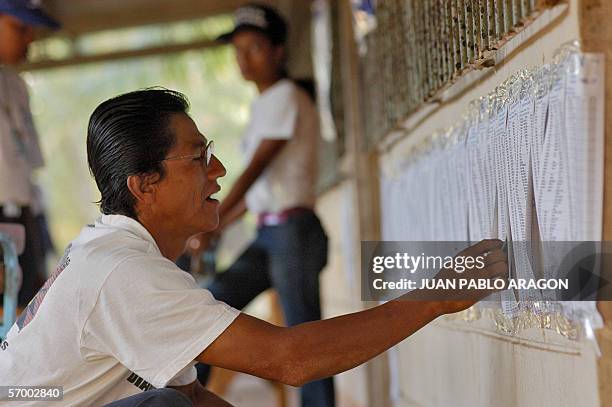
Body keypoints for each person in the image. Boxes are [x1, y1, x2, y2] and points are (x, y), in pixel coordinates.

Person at [0, 89, 507, 406]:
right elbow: (292, 360)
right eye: (198, 157)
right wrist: (437, 297)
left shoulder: (118, 256)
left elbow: (193, 395)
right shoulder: (122, 272)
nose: (217, 171)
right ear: (144, 184)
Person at [186, 5, 334, 405]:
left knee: (305, 340)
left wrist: (212, 222)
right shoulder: (262, 105)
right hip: (270, 233)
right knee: (213, 301)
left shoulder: (286, 95)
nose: (243, 58)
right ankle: (185, 396)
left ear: (278, 52)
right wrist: (215, 223)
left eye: (253, 48)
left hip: (293, 232)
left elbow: (256, 169)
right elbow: (255, 195)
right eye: (237, 50)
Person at [0, 0, 60, 306]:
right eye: (20, 28)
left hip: (22, 213)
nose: (30, 39)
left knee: (23, 311)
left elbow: (27, 168)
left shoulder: (15, 84)